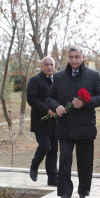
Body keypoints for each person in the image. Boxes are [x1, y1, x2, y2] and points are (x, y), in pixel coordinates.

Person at [46, 45, 100, 198]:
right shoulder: (58, 77)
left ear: (83, 58)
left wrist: (86, 102)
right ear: (68, 58)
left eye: (77, 57)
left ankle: (84, 193)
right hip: (64, 127)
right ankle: (65, 194)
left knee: (85, 162)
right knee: (65, 160)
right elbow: (49, 97)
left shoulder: (93, 76)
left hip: (85, 126)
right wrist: (56, 106)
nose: (74, 60)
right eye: (71, 57)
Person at [27, 56, 58, 186]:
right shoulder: (35, 80)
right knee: (45, 145)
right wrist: (47, 110)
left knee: (53, 150)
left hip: (55, 122)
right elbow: (32, 99)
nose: (49, 67)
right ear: (42, 67)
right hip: (41, 121)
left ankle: (52, 178)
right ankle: (34, 166)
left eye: (51, 64)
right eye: (46, 64)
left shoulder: (57, 80)